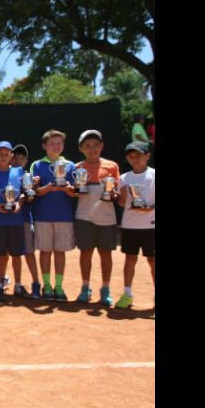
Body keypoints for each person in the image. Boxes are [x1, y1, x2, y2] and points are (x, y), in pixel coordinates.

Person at [73, 130, 120, 306]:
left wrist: (112, 194)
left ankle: (105, 289)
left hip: (107, 218)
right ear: (81, 149)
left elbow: (115, 191)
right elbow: (75, 193)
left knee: (105, 254)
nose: (92, 149)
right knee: (85, 253)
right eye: (87, 146)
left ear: (102, 146)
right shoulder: (77, 168)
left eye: (95, 145)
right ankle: (85, 288)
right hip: (84, 217)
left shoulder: (112, 166)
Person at [30, 130, 78, 302]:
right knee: (45, 252)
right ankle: (47, 285)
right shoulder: (37, 165)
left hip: (64, 216)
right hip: (43, 216)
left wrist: (65, 188)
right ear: (44, 146)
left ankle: (59, 286)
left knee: (60, 252)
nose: (56, 146)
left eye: (59, 143)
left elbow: (75, 193)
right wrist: (48, 187)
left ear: (63, 145)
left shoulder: (71, 165)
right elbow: (34, 192)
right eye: (52, 143)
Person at [115, 142, 155, 310]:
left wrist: (150, 208)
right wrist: (122, 194)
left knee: (153, 261)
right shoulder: (124, 178)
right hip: (130, 225)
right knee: (130, 259)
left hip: (151, 226)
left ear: (147, 156)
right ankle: (127, 294)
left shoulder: (154, 175)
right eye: (131, 156)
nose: (135, 159)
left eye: (139, 155)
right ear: (127, 159)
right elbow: (122, 203)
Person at [0, 141, 26, 302]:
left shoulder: (20, 172)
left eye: (6, 153)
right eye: (0, 153)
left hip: (16, 220)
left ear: (11, 155)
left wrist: (19, 204)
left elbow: (24, 194)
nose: (3, 156)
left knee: (17, 255)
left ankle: (18, 285)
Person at [10, 144, 43, 299]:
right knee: (15, 255)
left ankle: (36, 284)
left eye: (22, 158)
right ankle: (17, 284)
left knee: (29, 253)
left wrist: (33, 190)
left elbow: (31, 198)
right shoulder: (6, 175)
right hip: (9, 221)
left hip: (24, 220)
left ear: (26, 161)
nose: (18, 160)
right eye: (15, 157)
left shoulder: (27, 177)